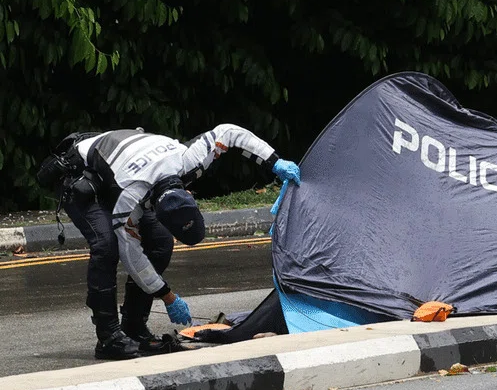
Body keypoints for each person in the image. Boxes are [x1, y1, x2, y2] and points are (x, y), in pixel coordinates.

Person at [36, 124, 302, 360]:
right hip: (80, 174)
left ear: (189, 193)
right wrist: (167, 295)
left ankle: (134, 328)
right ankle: (108, 338)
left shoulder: (189, 159)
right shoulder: (132, 196)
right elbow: (131, 255)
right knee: (107, 246)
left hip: (124, 169)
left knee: (161, 241)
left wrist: (274, 162)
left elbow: (230, 132)